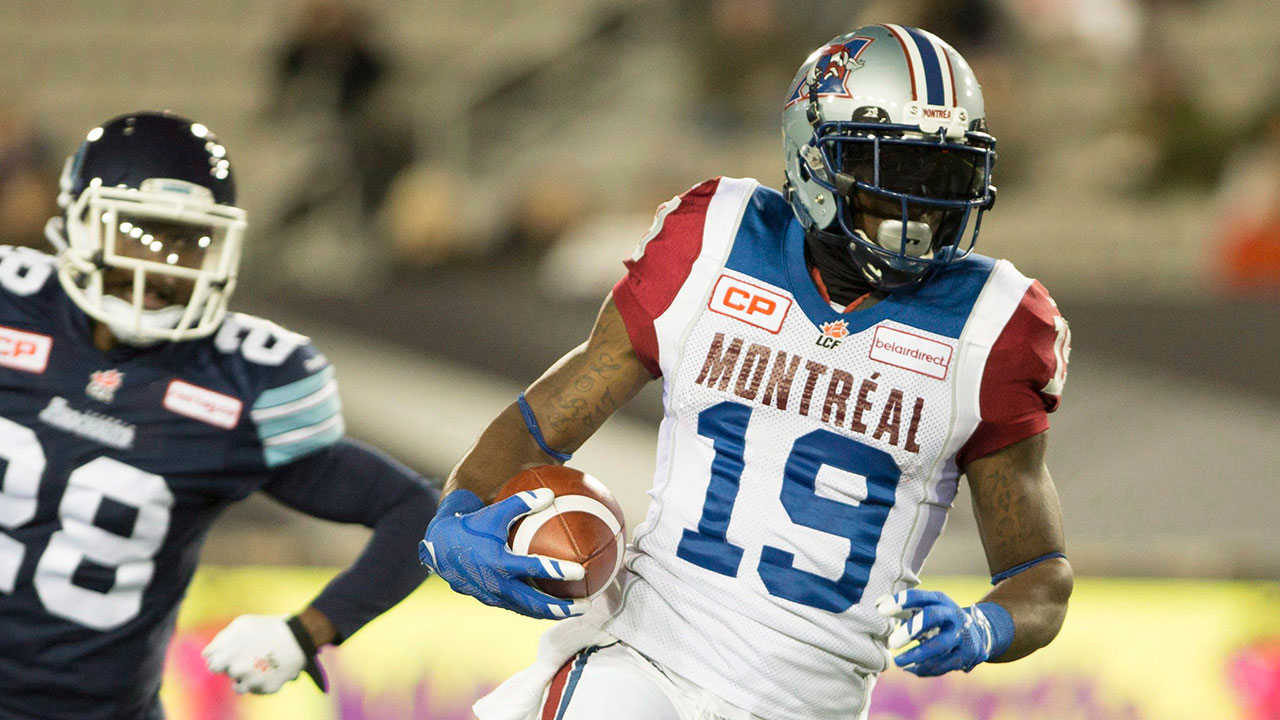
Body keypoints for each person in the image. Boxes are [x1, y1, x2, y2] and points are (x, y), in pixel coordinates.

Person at [421, 24, 1073, 720]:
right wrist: (457, 514)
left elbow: (1039, 577)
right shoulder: (716, 240)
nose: (919, 205)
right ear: (814, 158)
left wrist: (984, 626)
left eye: (941, 173)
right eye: (889, 170)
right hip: (646, 661)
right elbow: (548, 419)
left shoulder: (994, 325)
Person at [0, 111, 438, 719]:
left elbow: (412, 510)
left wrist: (306, 631)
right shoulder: (10, 305)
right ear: (78, 220)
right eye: (140, 233)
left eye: (190, 241)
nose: (165, 267)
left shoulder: (239, 382)